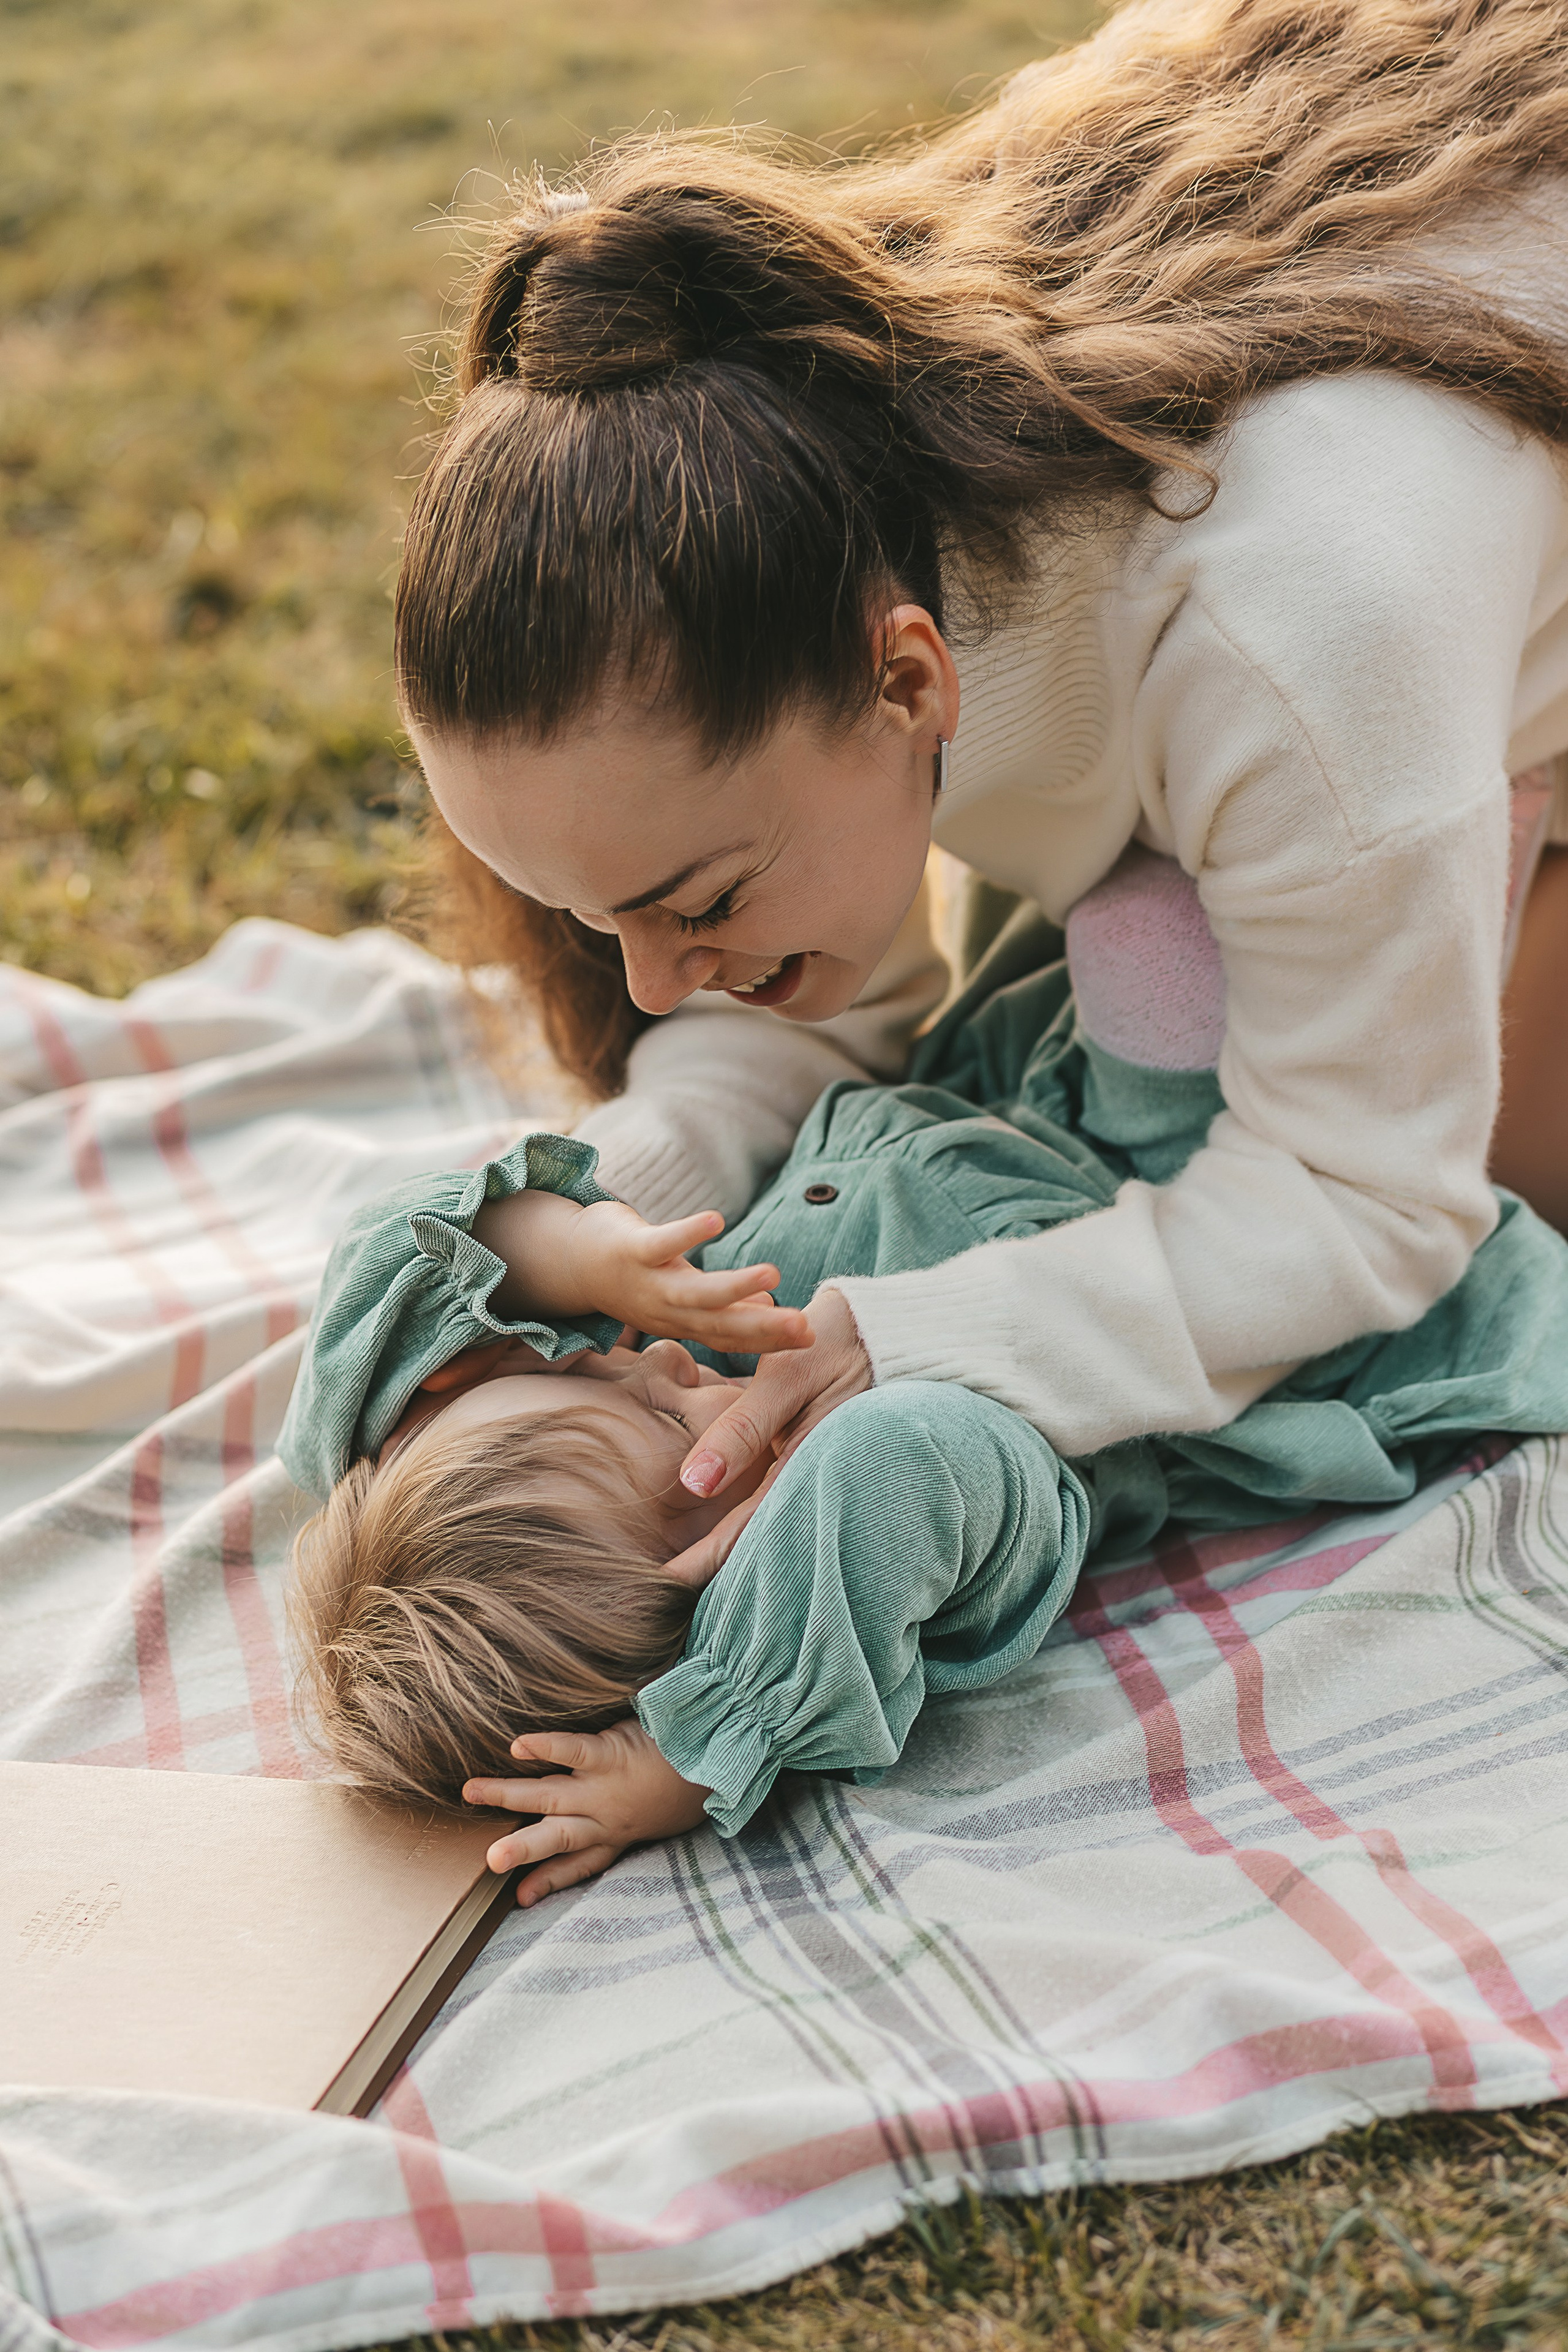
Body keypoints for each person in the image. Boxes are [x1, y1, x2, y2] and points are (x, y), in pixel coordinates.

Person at [394, 0, 1568, 1577]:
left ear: (909, 682)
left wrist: (923, 1335)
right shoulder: (807, 487)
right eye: (593, 916)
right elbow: (817, 984)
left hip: (1418, 640)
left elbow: (1368, 1199)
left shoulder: (1290, 628)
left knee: (1499, 1191)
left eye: (700, 902)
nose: (658, 982)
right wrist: (627, 1216)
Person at [282, 922, 1568, 1904]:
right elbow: (886, 1462)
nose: (650, 1362)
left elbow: (383, 1260)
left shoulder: (630, 1371)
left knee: (1146, 902)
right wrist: (706, 1736)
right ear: (732, 1579)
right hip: (1228, 1235)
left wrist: (567, 1260)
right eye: (674, 1432)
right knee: (1196, 935)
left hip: (1038, 1060)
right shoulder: (921, 1494)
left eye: (582, 1368)